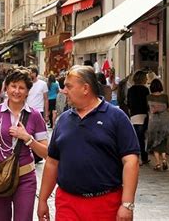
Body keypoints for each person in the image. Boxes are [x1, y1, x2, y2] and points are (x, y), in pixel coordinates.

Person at [37, 65, 140, 221]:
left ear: (85, 88)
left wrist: (127, 204)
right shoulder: (63, 120)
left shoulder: (116, 117)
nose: (63, 91)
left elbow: (131, 161)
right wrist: (43, 200)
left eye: (68, 86)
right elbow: (52, 162)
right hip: (67, 203)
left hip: (105, 204)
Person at [0, 68, 48, 220]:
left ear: (28, 91)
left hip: (25, 178)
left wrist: (28, 138)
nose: (17, 91)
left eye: (22, 87)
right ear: (6, 88)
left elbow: (46, 153)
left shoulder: (34, 115)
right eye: (13, 86)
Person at [146, 79, 169, 171]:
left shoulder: (148, 97)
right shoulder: (165, 97)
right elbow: (167, 107)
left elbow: (148, 108)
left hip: (154, 121)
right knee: (163, 141)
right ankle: (164, 160)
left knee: (155, 142)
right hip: (164, 120)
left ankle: (158, 164)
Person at [127, 70, 150, 166]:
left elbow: (128, 103)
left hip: (133, 115)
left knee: (136, 137)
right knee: (142, 138)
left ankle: (137, 156)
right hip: (143, 115)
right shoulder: (145, 89)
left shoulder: (131, 90)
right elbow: (147, 102)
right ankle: (144, 157)